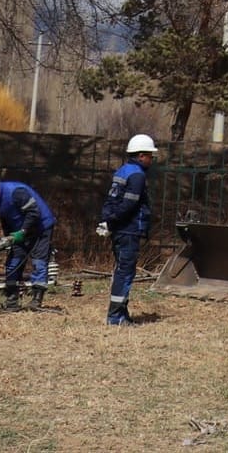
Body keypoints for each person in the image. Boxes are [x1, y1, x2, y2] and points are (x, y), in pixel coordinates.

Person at [0, 177, 56, 310]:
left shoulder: (16, 192)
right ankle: (12, 300)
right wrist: (8, 239)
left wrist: (22, 232)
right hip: (20, 231)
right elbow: (6, 220)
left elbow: (34, 213)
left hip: (41, 227)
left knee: (38, 262)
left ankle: (36, 301)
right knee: (13, 263)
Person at [99, 133, 156, 325]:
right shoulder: (137, 175)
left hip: (119, 230)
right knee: (125, 271)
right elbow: (129, 205)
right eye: (150, 155)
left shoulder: (122, 171)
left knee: (121, 270)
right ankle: (116, 316)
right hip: (129, 230)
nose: (151, 159)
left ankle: (121, 313)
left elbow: (110, 201)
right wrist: (114, 221)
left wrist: (107, 220)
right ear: (141, 155)